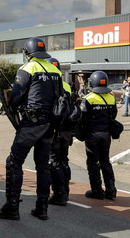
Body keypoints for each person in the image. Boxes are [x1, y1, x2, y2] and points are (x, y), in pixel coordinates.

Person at [0, 37, 62, 221]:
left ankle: (12, 207)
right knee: (42, 166)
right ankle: (42, 208)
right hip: (49, 126)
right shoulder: (55, 70)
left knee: (13, 161)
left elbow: (16, 97)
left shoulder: (27, 69)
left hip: (31, 124)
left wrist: (11, 98)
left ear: (27, 53)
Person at [79, 71, 119, 200]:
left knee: (93, 163)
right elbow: (113, 115)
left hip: (92, 135)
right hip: (106, 135)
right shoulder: (111, 97)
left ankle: (96, 191)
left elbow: (81, 117)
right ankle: (111, 190)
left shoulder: (88, 98)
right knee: (105, 162)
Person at [47, 58, 76, 206]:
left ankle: (59, 194)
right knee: (64, 160)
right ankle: (65, 190)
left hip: (56, 129)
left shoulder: (49, 85)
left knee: (55, 161)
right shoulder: (66, 85)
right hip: (67, 130)